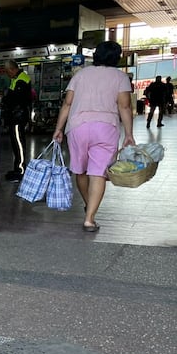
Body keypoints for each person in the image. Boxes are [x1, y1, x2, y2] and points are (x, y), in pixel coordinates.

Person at [52, 40, 135, 233]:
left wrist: (58, 128)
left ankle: (89, 206)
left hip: (77, 126)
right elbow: (124, 106)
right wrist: (129, 134)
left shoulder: (80, 74)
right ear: (117, 57)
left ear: (96, 55)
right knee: (98, 172)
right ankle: (89, 218)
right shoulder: (120, 77)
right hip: (105, 128)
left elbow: (67, 104)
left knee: (80, 170)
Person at [0, 59, 33, 181]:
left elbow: (15, 98)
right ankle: (17, 168)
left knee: (19, 144)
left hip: (18, 116)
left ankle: (21, 170)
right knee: (16, 144)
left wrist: (6, 99)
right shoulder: (16, 79)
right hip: (15, 116)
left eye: (8, 72)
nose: (7, 74)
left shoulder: (21, 79)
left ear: (13, 69)